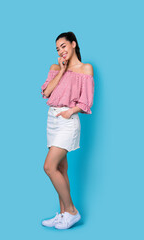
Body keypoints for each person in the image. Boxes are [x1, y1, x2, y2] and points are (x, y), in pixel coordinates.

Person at [40, 32, 95, 230]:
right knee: (61, 169)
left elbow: (86, 101)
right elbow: (46, 93)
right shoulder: (56, 68)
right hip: (52, 120)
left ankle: (72, 211)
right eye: (57, 49)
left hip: (68, 120)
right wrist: (62, 72)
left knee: (49, 167)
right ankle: (63, 214)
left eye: (63, 46)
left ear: (73, 44)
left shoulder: (85, 68)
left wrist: (70, 111)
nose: (61, 51)